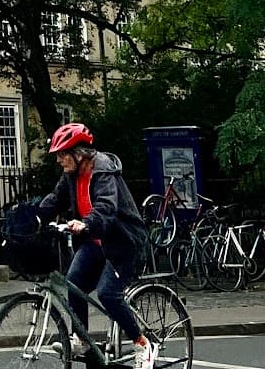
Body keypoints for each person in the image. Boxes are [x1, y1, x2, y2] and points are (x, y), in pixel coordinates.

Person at [37, 122, 155, 369]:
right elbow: (54, 200)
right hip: (96, 241)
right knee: (73, 281)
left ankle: (143, 343)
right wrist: (34, 216)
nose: (59, 160)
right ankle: (82, 340)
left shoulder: (103, 170)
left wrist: (85, 223)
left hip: (124, 243)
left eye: (62, 155)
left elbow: (106, 206)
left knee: (108, 293)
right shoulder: (71, 174)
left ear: (78, 154)